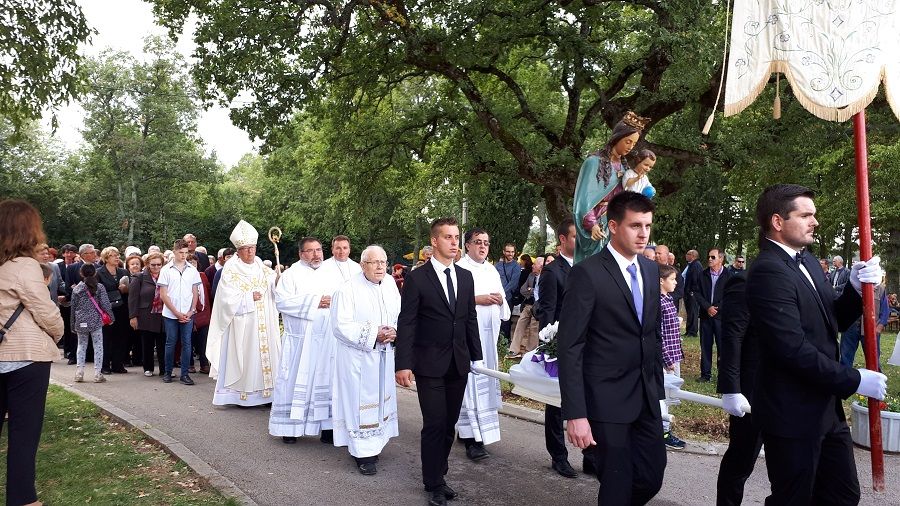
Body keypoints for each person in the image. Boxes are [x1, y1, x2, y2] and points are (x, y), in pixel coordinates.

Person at [746, 184, 886, 505]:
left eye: (814, 214)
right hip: (792, 412)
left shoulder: (806, 260)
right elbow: (791, 348)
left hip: (826, 408)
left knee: (842, 495)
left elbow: (829, 320)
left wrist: (853, 288)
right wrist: (855, 379)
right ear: (778, 222)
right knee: (794, 498)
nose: (815, 222)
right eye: (806, 215)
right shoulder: (767, 271)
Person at [558, 191, 666, 506]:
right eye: (635, 226)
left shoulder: (649, 269)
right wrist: (575, 413)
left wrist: (659, 389)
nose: (644, 233)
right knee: (617, 483)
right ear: (614, 226)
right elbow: (571, 346)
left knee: (651, 477)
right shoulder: (587, 273)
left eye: (647, 226)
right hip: (605, 400)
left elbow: (650, 333)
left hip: (645, 397)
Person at [395, 217, 482, 506]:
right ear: (434, 241)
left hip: (458, 362)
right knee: (434, 422)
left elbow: (469, 317)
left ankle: (439, 474)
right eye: (448, 237)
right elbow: (407, 322)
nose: (455, 242)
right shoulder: (417, 278)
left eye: (456, 237)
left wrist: (476, 357)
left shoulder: (466, 277)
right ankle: (432, 482)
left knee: (449, 424)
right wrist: (403, 363)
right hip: (428, 362)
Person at [0, 199, 65, 506]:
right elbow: (46, 312)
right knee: (23, 435)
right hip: (25, 357)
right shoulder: (24, 267)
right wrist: (59, 331)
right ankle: (23, 499)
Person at [330, 245, 401, 476]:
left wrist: (394, 332)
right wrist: (374, 334)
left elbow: (398, 315)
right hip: (358, 359)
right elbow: (341, 325)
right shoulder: (347, 290)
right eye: (374, 262)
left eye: (383, 261)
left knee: (381, 401)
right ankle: (362, 453)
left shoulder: (390, 284)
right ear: (362, 265)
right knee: (360, 405)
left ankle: (375, 444)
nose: (380, 266)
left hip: (383, 355)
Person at [269, 237, 343, 439]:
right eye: (310, 251)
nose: (316, 254)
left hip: (328, 339)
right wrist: (316, 302)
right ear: (301, 254)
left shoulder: (332, 273)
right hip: (301, 341)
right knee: (295, 382)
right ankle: (290, 429)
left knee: (326, 382)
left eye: (319, 250)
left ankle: (327, 428)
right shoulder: (291, 275)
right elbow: (282, 302)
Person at [207, 221, 281, 405]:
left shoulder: (264, 269)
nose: (250, 252)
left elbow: (276, 291)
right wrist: (248, 297)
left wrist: (279, 279)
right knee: (247, 357)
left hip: (266, 324)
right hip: (244, 324)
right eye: (246, 248)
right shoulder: (230, 271)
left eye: (253, 248)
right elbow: (224, 300)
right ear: (238, 250)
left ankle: (269, 396)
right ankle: (244, 397)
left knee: (267, 356)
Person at [456, 228, 509, 461]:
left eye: (486, 243)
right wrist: (478, 299)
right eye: (478, 242)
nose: (483, 247)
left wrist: (499, 300)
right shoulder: (460, 269)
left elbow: (504, 306)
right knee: (470, 383)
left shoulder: (491, 269)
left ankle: (480, 432)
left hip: (488, 338)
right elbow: (453, 301)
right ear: (467, 245)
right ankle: (470, 438)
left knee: (484, 382)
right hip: (468, 338)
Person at [573, 111, 649, 262]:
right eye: (628, 141)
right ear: (617, 137)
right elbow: (583, 200)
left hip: (616, 225)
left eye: (634, 143)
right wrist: (592, 224)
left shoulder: (626, 169)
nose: (630, 147)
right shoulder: (593, 162)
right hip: (597, 225)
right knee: (594, 267)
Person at [534, 218, 578, 478]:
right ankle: (559, 456)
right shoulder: (553, 271)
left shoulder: (587, 266)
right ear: (563, 239)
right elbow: (547, 312)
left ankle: (592, 455)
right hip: (561, 344)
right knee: (557, 402)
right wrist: (548, 347)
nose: (580, 241)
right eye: (575, 236)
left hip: (587, 344)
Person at [716, 270, 762, 506]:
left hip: (792, 391)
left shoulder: (805, 276)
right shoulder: (746, 281)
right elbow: (732, 336)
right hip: (752, 392)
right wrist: (731, 388)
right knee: (741, 461)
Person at [158, 239, 200, 385]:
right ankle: (168, 372)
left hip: (188, 313)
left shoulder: (192, 270)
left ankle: (185, 374)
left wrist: (192, 310)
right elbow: (163, 294)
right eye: (181, 253)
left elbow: (195, 292)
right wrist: (176, 313)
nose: (183, 256)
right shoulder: (166, 270)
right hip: (171, 314)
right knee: (171, 342)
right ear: (175, 252)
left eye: (186, 253)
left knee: (187, 343)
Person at [658, 263, 685, 450]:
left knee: (670, 396)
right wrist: (667, 360)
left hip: (674, 356)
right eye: (672, 279)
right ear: (661, 281)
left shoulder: (668, 299)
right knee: (663, 397)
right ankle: (663, 432)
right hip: (666, 359)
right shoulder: (658, 302)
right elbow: (657, 335)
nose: (676, 283)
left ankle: (663, 430)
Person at [695, 248, 732, 382]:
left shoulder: (729, 275)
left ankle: (723, 375)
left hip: (721, 318)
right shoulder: (702, 275)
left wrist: (717, 308)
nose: (709, 259)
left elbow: (730, 295)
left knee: (722, 347)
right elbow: (697, 293)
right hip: (706, 316)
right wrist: (707, 307)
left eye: (713, 257)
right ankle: (705, 375)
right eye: (709, 257)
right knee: (705, 346)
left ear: (721, 259)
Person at [70, 263, 112, 383]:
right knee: (98, 346)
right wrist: (111, 317)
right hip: (96, 321)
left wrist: (72, 323)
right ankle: (97, 373)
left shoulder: (77, 289)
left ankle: (79, 372)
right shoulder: (99, 287)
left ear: (81, 273)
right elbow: (105, 305)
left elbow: (73, 308)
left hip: (81, 320)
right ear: (95, 273)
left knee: (81, 345)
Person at [129, 251, 166, 377]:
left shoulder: (166, 276)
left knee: (163, 343)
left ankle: (164, 369)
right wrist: (133, 316)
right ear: (147, 264)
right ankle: (148, 367)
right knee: (147, 343)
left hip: (163, 315)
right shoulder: (139, 277)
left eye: (158, 264)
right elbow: (133, 298)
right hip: (146, 315)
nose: (156, 267)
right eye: (153, 265)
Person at [839, 281, 890, 369]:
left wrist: (879, 327)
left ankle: (876, 381)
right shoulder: (850, 284)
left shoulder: (880, 288)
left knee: (874, 361)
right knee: (845, 359)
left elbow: (885, 309)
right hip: (850, 327)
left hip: (871, 329)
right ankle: (845, 381)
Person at [97, 247, 130, 375]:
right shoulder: (99, 273)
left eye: (117, 255)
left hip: (122, 309)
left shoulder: (123, 271)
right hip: (106, 310)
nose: (117, 257)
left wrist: (125, 289)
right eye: (113, 255)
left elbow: (130, 289)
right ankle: (104, 365)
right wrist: (117, 290)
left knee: (121, 337)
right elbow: (97, 292)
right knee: (106, 338)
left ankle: (118, 364)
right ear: (106, 258)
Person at [507, 255, 543, 359]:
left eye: (535, 264)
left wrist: (530, 290)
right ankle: (514, 350)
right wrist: (531, 291)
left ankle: (528, 353)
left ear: (540, 266)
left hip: (537, 307)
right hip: (528, 305)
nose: (532, 265)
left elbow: (541, 292)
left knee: (533, 330)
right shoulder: (531, 275)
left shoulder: (545, 277)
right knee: (519, 325)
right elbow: (523, 290)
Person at [495, 242, 521, 339]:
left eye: (512, 252)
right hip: (496, 297)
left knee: (505, 321)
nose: (510, 254)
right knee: (496, 320)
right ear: (504, 252)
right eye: (508, 251)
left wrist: (501, 294)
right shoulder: (498, 265)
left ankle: (505, 343)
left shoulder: (516, 266)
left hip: (507, 297)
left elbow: (513, 284)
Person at [58, 243, 78, 363]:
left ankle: (72, 350)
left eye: (72, 252)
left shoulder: (77, 266)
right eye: (67, 252)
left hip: (72, 299)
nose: (69, 254)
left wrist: (67, 295)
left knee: (73, 327)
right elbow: (59, 282)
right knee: (65, 326)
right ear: (63, 254)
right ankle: (66, 350)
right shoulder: (58, 266)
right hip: (60, 300)